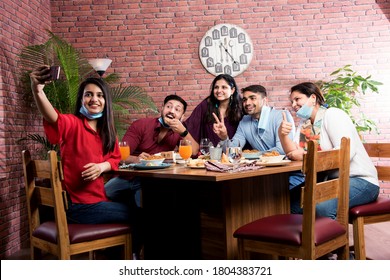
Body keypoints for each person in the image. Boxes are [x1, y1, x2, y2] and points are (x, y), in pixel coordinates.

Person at [29, 66, 140, 258]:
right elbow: (52, 117)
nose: (94, 99)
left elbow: (115, 158)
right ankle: (131, 259)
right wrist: (37, 90)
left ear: (106, 101)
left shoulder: (107, 132)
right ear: (81, 99)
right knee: (142, 216)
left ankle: (119, 258)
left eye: (99, 95)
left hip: (97, 201)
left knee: (134, 205)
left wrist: (102, 166)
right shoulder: (72, 124)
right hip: (77, 206)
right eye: (89, 94)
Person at [278, 82, 380, 219]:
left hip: (360, 181)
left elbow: (345, 153)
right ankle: (306, 237)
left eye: (297, 99)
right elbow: (294, 151)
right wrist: (282, 135)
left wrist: (304, 156)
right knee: (287, 201)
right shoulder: (305, 124)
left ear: (313, 98)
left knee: (322, 207)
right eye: (292, 101)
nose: (294, 105)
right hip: (328, 181)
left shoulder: (333, 115)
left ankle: (331, 240)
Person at [104, 94, 196, 208]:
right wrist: (136, 159)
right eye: (168, 107)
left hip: (154, 181)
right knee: (103, 195)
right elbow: (118, 155)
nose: (171, 111)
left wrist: (184, 132)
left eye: (177, 109)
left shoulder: (179, 133)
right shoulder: (141, 124)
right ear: (162, 108)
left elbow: (195, 152)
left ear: (182, 116)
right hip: (129, 177)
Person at [212, 84, 295, 154]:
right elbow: (232, 152)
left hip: (285, 169)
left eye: (252, 98)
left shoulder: (281, 116)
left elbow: (282, 150)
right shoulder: (244, 121)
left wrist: (252, 155)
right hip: (260, 169)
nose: (247, 103)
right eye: (245, 99)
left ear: (265, 100)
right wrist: (224, 137)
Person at [184, 74, 243, 153]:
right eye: (216, 87)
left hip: (234, 156)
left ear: (232, 90)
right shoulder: (205, 106)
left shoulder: (241, 107)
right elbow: (190, 126)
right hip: (209, 157)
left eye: (224, 87)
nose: (219, 91)